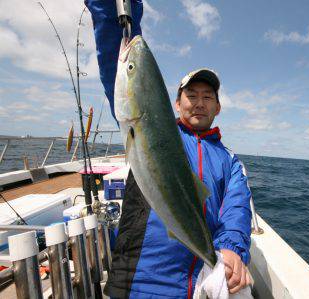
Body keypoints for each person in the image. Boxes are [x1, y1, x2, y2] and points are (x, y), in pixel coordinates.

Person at [86, 1, 253, 298]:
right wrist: (111, 6)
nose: (199, 102)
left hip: (199, 283)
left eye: (207, 96)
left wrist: (231, 249)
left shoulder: (230, 161)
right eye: (191, 95)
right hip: (140, 281)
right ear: (176, 104)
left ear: (218, 106)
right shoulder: (155, 127)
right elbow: (123, 57)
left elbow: (236, 210)